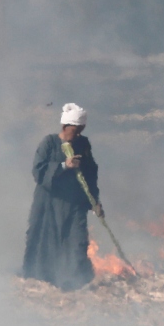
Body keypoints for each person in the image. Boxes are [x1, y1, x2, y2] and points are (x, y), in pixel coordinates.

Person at [21, 103, 104, 289]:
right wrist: (64, 166)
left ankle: (78, 282)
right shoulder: (49, 143)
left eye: (81, 130)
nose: (78, 134)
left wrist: (95, 201)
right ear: (66, 127)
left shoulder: (83, 144)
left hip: (74, 204)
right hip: (48, 203)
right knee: (44, 239)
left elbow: (90, 174)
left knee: (77, 241)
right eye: (76, 130)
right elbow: (38, 172)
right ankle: (41, 279)